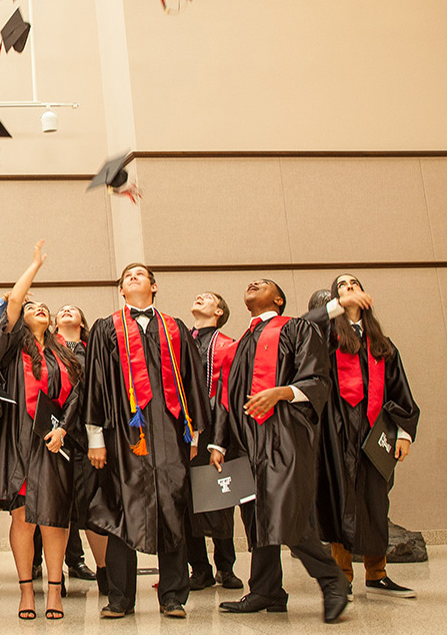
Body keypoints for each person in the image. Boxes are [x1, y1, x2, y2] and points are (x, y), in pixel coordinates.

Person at [210, 279, 349, 623]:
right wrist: (218, 442)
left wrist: (281, 392)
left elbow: (316, 378)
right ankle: (266, 589)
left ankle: (332, 582)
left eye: (264, 283)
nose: (253, 283)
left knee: (286, 514)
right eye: (250, 283)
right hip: (246, 440)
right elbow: (227, 396)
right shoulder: (240, 343)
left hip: (284, 433)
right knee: (257, 516)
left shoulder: (297, 328)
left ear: (279, 298)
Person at [82, 263, 209, 619]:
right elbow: (94, 385)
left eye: (140, 274)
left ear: (154, 286)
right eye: (127, 277)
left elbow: (192, 381)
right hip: (123, 434)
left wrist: (194, 432)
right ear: (121, 290)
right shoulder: (107, 328)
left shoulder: (175, 328)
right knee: (123, 508)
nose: (133, 278)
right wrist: (96, 437)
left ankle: (172, 596)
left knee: (172, 507)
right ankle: (120, 598)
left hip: (170, 433)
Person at [306, 274, 420, 598]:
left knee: (375, 503)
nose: (348, 288)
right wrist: (337, 307)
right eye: (341, 286)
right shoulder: (326, 337)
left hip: (373, 435)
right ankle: (342, 577)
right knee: (339, 500)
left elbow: (400, 391)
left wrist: (403, 434)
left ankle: (377, 574)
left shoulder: (382, 345)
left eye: (353, 284)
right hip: (336, 434)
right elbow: (302, 327)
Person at [0, 241, 81, 620]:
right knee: (24, 517)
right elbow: (13, 303)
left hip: (56, 442)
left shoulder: (65, 353)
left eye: (44, 307)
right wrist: (35, 265)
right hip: (21, 442)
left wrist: (65, 431)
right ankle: (27, 592)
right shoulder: (11, 346)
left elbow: (78, 396)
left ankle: (55, 593)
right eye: (31, 307)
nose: (37, 308)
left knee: (55, 519)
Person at [185, 292, 243, 591]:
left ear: (219, 312)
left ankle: (225, 567)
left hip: (215, 428)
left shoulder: (229, 346)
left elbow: (229, 393)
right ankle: (200, 569)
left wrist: (217, 439)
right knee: (187, 503)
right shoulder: (179, 340)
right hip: (184, 430)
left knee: (221, 499)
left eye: (208, 298)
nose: (200, 298)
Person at [53, 304, 105, 588]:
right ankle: (54, 567)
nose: (67, 312)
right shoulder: (48, 349)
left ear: (82, 323)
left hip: (86, 435)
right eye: (61, 310)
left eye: (73, 310)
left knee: (86, 500)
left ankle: (81, 561)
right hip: (56, 432)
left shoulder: (92, 352)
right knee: (58, 503)